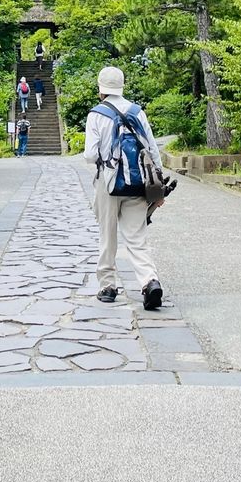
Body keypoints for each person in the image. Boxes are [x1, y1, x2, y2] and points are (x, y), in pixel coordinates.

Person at [84, 65, 164, 309]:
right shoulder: (137, 112)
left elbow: (89, 155)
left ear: (101, 88)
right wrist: (158, 187)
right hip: (137, 183)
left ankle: (108, 287)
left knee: (107, 236)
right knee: (137, 237)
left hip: (108, 183)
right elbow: (152, 150)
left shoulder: (96, 114)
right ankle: (149, 281)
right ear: (121, 86)